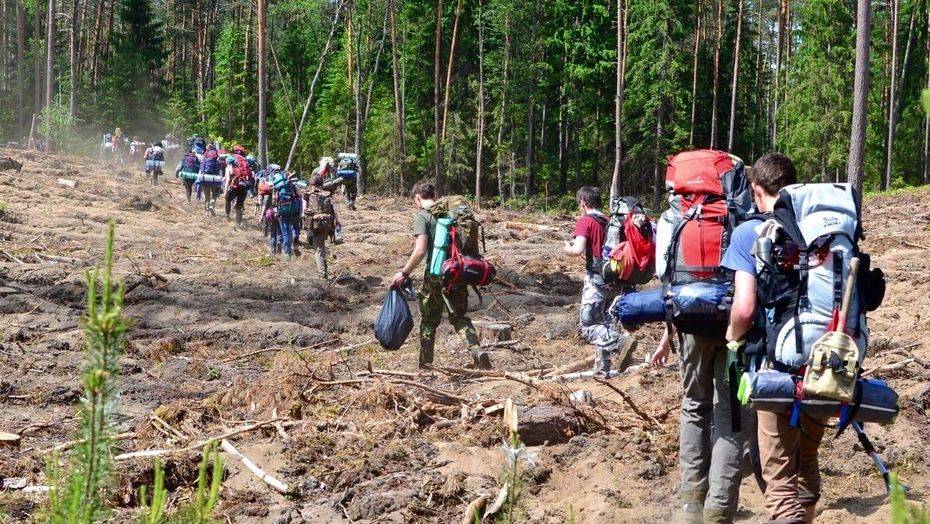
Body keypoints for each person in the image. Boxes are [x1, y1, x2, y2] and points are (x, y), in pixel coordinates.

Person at [722, 154, 816, 524]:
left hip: (779, 366)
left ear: (757, 190)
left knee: (779, 483)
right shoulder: (818, 225)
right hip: (826, 364)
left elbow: (745, 309)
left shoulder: (749, 233)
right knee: (806, 460)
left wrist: (732, 334)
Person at [389, 180, 491, 370]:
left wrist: (404, 273)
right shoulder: (451, 213)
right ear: (434, 195)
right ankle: (477, 351)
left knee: (428, 321)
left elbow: (420, 250)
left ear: (417, 198)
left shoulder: (423, 216)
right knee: (459, 317)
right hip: (458, 271)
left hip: (436, 274)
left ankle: (426, 365)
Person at [563, 186, 629, 377]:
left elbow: (577, 250)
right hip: (617, 279)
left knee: (589, 326)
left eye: (579, 204)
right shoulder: (610, 221)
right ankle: (602, 371)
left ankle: (621, 342)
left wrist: (567, 248)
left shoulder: (586, 221)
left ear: (583, 202)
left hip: (597, 279)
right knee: (604, 324)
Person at [303, 174, 341, 279]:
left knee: (318, 250)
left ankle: (322, 275)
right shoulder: (327, 195)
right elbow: (334, 211)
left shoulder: (308, 195)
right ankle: (325, 271)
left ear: (312, 184)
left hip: (314, 226)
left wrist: (306, 227)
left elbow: (304, 212)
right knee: (322, 247)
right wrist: (337, 223)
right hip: (327, 225)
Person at [224, 146, 253, 227]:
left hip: (235, 186)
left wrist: (225, 191)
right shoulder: (244, 162)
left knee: (228, 199)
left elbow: (228, 180)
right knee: (239, 206)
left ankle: (227, 216)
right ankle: (238, 223)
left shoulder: (230, 166)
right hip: (244, 186)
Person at [199, 145, 222, 215]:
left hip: (205, 177)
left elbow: (201, 167)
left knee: (207, 196)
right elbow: (219, 168)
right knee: (215, 193)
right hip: (214, 178)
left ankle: (206, 212)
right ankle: (212, 205)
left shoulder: (205, 156)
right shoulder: (216, 156)